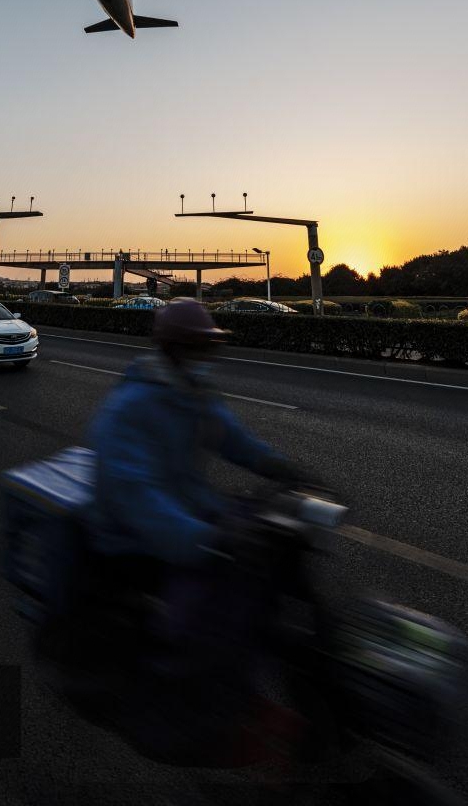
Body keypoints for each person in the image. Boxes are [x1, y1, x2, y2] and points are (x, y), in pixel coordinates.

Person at [81, 298, 312, 764]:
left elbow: (233, 439)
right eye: (195, 347)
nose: (203, 357)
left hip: (189, 515)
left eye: (206, 347)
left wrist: (281, 468)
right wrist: (203, 539)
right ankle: (177, 706)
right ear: (171, 349)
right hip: (134, 538)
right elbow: (136, 497)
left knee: (270, 565)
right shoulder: (130, 408)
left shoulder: (193, 392)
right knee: (210, 606)